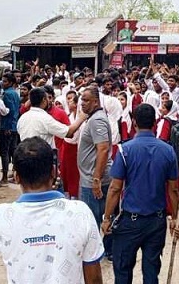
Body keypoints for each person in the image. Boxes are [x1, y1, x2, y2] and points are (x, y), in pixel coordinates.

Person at [0, 137, 104, 284]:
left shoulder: (1, 216)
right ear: (54, 172)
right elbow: (93, 277)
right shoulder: (80, 212)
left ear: (16, 177)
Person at [102, 104, 179, 283]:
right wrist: (174, 218)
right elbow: (173, 189)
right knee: (151, 271)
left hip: (130, 221)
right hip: (156, 221)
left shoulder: (125, 150)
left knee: (123, 270)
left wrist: (107, 218)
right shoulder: (168, 150)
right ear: (155, 123)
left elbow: (115, 188)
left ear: (134, 122)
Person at [78, 87, 114, 258]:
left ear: (96, 102)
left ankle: (102, 251)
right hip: (91, 176)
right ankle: (108, 249)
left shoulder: (97, 120)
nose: (82, 103)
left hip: (94, 178)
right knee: (101, 215)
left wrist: (96, 179)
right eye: (81, 100)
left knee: (93, 219)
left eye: (86, 100)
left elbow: (103, 149)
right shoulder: (93, 118)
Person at [17, 87, 85, 148]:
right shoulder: (45, 118)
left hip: (25, 156)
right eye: (47, 98)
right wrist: (81, 118)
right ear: (44, 100)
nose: (49, 101)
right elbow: (68, 133)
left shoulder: (22, 118)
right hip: (41, 157)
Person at [0, 73, 20, 185]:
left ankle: (5, 177)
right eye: (2, 80)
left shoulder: (6, 94)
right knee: (13, 150)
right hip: (14, 126)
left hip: (7, 126)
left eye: (5, 81)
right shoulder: (15, 93)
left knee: (4, 152)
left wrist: (7, 127)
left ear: (11, 82)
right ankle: (15, 174)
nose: (3, 83)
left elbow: (9, 111)